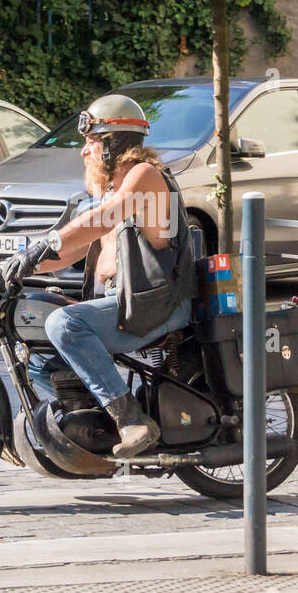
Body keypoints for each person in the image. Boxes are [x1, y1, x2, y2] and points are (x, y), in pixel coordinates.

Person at [21, 94, 195, 458]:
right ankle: (91, 427)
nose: (84, 152)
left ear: (111, 146)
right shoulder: (112, 191)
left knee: (65, 325)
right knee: (35, 346)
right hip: (124, 303)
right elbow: (68, 252)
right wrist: (19, 263)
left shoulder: (145, 177)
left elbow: (103, 219)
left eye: (91, 142)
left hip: (156, 304)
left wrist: (49, 240)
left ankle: (132, 420)